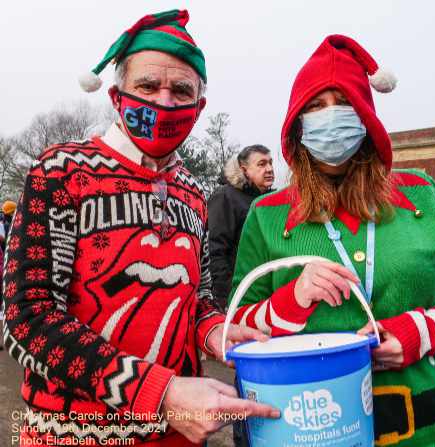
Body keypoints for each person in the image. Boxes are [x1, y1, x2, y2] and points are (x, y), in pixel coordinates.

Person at [3, 10, 278, 447]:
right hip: (75, 435)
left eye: (181, 90)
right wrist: (159, 393)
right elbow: (26, 320)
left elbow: (197, 300)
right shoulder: (60, 171)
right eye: (148, 86)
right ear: (117, 96)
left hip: (182, 435)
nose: (164, 102)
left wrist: (220, 333)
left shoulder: (191, 189)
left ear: (199, 106)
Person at [228, 34, 435, 446]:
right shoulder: (266, 216)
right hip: (309, 432)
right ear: (298, 124)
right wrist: (292, 300)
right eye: (316, 107)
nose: (330, 117)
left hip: (433, 433)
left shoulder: (421, 194)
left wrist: (417, 332)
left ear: (365, 116)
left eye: (344, 103)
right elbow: (237, 329)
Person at [208, 145, 274, 310]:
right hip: (236, 297)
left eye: (271, 163)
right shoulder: (225, 197)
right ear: (244, 170)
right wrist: (226, 298)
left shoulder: (270, 201)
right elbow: (215, 250)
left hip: (266, 295)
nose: (269, 169)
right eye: (262, 164)